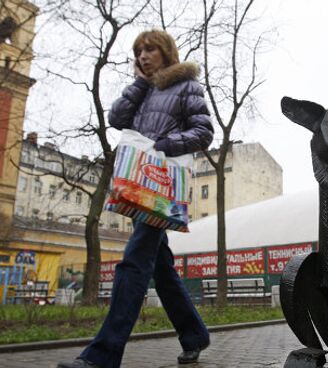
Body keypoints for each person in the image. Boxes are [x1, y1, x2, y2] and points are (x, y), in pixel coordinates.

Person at [57, 30, 214, 368]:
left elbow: (204, 132)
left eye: (150, 49)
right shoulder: (143, 89)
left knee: (133, 262)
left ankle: (103, 355)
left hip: (160, 186)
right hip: (136, 182)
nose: (143, 55)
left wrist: (164, 145)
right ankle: (195, 334)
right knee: (161, 268)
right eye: (139, 50)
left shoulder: (187, 85)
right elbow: (116, 119)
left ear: (166, 52)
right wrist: (141, 84)